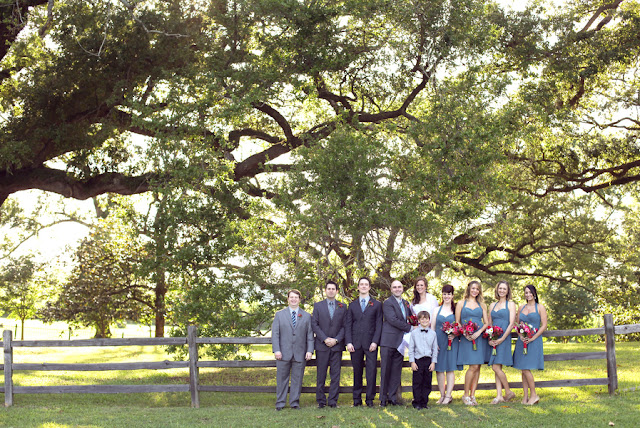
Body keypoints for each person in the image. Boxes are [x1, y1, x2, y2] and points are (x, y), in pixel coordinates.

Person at [272, 289, 314, 410]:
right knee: (281, 379)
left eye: (296, 297)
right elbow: (275, 334)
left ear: (299, 300)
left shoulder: (306, 316)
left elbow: (310, 335)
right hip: (283, 353)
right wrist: (277, 350)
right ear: (288, 299)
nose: (294, 299)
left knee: (297, 379)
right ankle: (280, 403)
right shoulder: (279, 315)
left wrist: (309, 351)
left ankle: (294, 402)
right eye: (291, 297)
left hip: (300, 353)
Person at [345, 277, 383, 407]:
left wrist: (375, 342)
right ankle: (357, 399)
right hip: (355, 344)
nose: (364, 286)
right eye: (361, 284)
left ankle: (370, 399)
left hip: (371, 343)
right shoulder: (352, 305)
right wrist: (348, 342)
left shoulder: (377, 305)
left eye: (366, 284)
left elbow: (379, 325)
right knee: (357, 372)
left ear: (369, 287)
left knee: (371, 371)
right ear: (358, 287)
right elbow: (348, 325)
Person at [312, 280, 347, 408]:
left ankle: (333, 401)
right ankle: (321, 401)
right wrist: (325, 338)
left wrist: (336, 340)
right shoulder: (318, 306)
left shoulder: (343, 307)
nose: (331, 290)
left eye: (333, 289)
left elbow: (345, 326)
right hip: (322, 346)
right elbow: (314, 324)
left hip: (337, 346)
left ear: (337, 291)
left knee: (335, 375)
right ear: (325, 291)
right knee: (321, 374)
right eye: (329, 288)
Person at [455, 280, 489, 406]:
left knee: (478, 366)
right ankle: (465, 395)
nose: (475, 291)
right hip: (466, 337)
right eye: (473, 288)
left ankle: (473, 395)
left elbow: (486, 322)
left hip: (479, 337)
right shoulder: (461, 303)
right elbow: (457, 321)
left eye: (477, 289)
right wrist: (464, 332)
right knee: (472, 366)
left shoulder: (482, 305)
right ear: (469, 289)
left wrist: (478, 332)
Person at [513, 284, 547, 405]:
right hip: (522, 342)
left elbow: (544, 325)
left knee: (526, 369)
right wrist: (521, 336)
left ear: (534, 294)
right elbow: (517, 324)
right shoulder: (521, 307)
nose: (528, 295)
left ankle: (534, 395)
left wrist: (533, 338)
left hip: (534, 341)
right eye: (526, 292)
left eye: (530, 292)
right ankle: (525, 396)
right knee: (523, 369)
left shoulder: (540, 307)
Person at [379, 279, 412, 406]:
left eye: (399, 287)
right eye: (395, 287)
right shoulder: (387, 303)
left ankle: (393, 398)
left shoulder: (406, 303)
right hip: (388, 341)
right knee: (385, 370)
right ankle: (382, 399)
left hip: (401, 342)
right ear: (391, 289)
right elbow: (392, 319)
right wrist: (409, 328)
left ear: (402, 289)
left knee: (396, 371)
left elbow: (408, 319)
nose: (397, 289)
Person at [487, 280, 517, 404]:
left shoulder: (510, 304)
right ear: (497, 290)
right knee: (496, 366)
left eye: (504, 289)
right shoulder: (492, 305)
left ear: (507, 291)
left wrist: (502, 338)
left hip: (504, 337)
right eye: (500, 288)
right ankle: (499, 395)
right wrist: (490, 338)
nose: (502, 291)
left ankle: (508, 391)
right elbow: (489, 323)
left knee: (495, 366)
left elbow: (511, 324)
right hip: (494, 337)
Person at [431, 284, 461, 405]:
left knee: (449, 368)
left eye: (449, 294)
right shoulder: (437, 310)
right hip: (438, 341)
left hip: (451, 342)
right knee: (439, 369)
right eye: (444, 294)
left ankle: (449, 395)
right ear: (442, 295)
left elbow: (459, 326)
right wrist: (433, 344)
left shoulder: (456, 310)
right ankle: (442, 395)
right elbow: (432, 328)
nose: (446, 296)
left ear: (452, 295)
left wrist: (454, 334)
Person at [408, 310, 438, 410]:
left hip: (428, 360)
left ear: (429, 320)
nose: (424, 321)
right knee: (417, 382)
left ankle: (424, 402)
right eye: (422, 319)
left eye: (426, 319)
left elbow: (434, 349)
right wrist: (412, 362)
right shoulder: (414, 333)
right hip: (418, 360)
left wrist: (433, 362)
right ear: (419, 320)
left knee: (427, 382)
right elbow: (411, 348)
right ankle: (416, 402)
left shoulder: (433, 334)